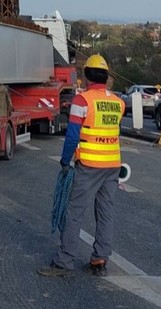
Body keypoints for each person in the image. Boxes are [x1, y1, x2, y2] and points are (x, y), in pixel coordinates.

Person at [39, 54, 125, 277]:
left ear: (87, 76)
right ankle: (100, 258)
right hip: (113, 165)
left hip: (89, 164)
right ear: (106, 77)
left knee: (74, 212)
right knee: (105, 212)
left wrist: (65, 160)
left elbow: (72, 135)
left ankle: (64, 261)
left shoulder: (82, 101)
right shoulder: (118, 103)